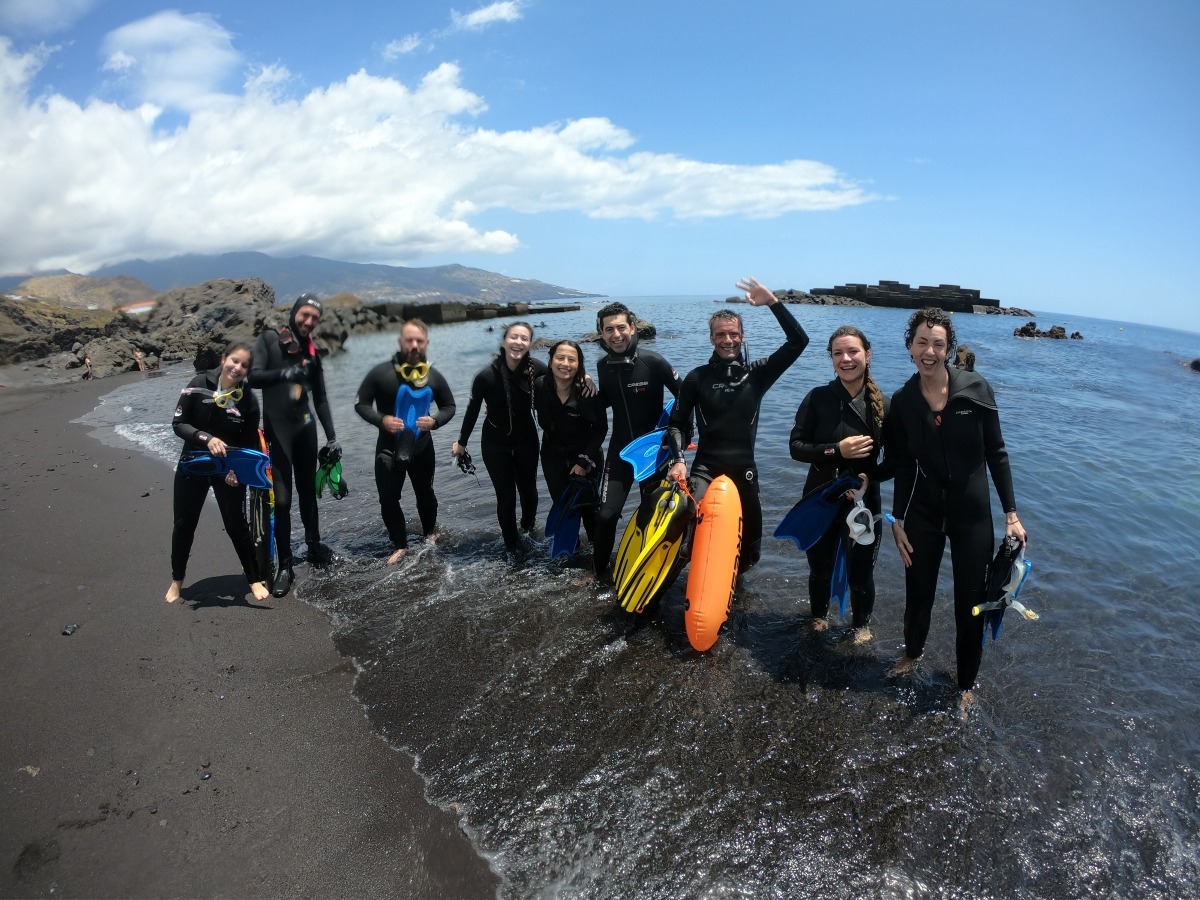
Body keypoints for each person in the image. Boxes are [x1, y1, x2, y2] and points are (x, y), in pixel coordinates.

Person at [885, 307, 1027, 717]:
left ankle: (965, 684)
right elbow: (902, 465)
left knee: (971, 604)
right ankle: (913, 653)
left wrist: (1011, 514)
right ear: (910, 347)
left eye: (938, 344)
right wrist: (896, 520)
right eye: (922, 342)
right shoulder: (903, 402)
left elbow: (997, 453)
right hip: (924, 513)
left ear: (948, 349)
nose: (929, 351)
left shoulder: (975, 389)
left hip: (972, 515)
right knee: (918, 596)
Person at [666, 278, 809, 571]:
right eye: (720, 334)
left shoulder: (758, 375)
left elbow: (799, 341)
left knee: (751, 552)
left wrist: (773, 302)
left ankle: (735, 587)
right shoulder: (696, 378)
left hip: (744, 471)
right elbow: (677, 424)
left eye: (733, 334)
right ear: (711, 338)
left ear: (742, 337)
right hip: (705, 469)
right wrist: (679, 460)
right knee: (684, 527)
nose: (727, 340)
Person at [789, 326, 890, 643]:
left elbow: (897, 460)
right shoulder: (818, 398)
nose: (846, 359)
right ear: (831, 359)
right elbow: (796, 448)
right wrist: (837, 450)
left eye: (853, 351)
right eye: (838, 353)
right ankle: (819, 618)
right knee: (820, 568)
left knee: (861, 573)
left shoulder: (883, 405)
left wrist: (870, 479)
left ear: (867, 355)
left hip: (864, 503)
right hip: (821, 499)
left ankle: (861, 626)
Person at [248, 293, 339, 597]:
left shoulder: (312, 353)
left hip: (305, 429)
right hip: (279, 431)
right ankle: (285, 564)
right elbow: (254, 377)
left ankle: (313, 545)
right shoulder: (269, 339)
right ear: (295, 312)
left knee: (308, 493)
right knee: (283, 500)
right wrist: (285, 373)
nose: (309, 321)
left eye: (315, 318)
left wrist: (332, 437)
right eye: (305, 315)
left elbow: (321, 398)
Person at [166, 341, 270, 603]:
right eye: (234, 360)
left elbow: (248, 444)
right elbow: (178, 424)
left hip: (227, 470)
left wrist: (237, 472)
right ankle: (177, 581)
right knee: (184, 524)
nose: (237, 367)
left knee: (236, 523)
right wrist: (206, 438)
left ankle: (253, 579)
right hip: (194, 464)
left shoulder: (247, 399)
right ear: (224, 359)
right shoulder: (198, 383)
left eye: (244, 365)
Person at [591, 302, 682, 579]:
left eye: (621, 327)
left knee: (650, 515)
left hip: (654, 453)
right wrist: (584, 385)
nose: (616, 334)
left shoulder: (653, 362)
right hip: (620, 451)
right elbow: (605, 403)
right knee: (606, 515)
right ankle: (599, 574)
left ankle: (646, 572)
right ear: (602, 334)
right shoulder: (603, 366)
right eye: (609, 330)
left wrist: (677, 438)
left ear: (632, 328)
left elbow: (685, 398)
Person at [354, 320, 456, 564]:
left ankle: (430, 533)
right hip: (388, 447)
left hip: (422, 447)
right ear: (400, 342)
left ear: (426, 343)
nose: (414, 345)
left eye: (419, 341)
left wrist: (435, 421)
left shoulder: (433, 376)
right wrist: (382, 420)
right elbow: (361, 404)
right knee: (388, 498)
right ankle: (400, 545)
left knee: (425, 493)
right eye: (409, 340)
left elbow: (449, 406)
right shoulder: (381, 373)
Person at [451, 322, 548, 555]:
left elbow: (565, 377)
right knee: (505, 497)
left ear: (529, 344)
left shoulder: (538, 369)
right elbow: (472, 410)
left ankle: (527, 531)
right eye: (514, 337)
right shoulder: (486, 376)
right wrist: (462, 443)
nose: (518, 342)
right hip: (495, 443)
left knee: (529, 493)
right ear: (504, 341)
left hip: (526, 441)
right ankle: (512, 546)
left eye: (524, 339)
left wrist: (585, 377)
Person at [534, 340, 608, 546]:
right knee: (564, 508)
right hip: (552, 458)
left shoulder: (588, 392)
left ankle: (596, 555)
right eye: (560, 358)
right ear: (550, 362)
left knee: (590, 511)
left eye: (572, 359)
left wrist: (583, 461)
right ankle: (571, 552)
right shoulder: (540, 387)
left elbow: (601, 429)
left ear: (579, 365)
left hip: (587, 456)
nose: (565, 364)